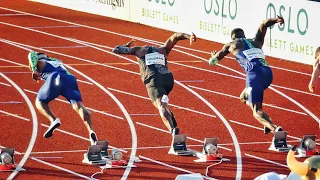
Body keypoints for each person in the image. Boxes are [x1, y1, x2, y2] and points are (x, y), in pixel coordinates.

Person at [208, 16, 284, 134]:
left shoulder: (231, 45)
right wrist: (276, 20)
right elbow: (263, 24)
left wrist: (212, 56)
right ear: (244, 35)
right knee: (243, 97)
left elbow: (212, 62)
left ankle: (275, 128)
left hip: (254, 75)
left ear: (232, 38)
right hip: (268, 73)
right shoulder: (256, 41)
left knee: (256, 111)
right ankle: (266, 121)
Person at [112, 32, 196, 136]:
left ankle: (172, 129)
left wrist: (126, 46)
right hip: (168, 80)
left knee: (160, 105)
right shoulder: (163, 50)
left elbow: (116, 50)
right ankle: (169, 116)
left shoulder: (140, 50)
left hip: (154, 81)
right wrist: (189, 37)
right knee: (162, 104)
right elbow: (175, 37)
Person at [28, 51, 97, 145]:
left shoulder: (40, 62)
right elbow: (71, 73)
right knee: (79, 106)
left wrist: (34, 69)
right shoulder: (58, 61)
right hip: (70, 79)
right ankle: (91, 131)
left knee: (39, 101)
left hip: (55, 77)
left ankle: (53, 120)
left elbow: (31, 54)